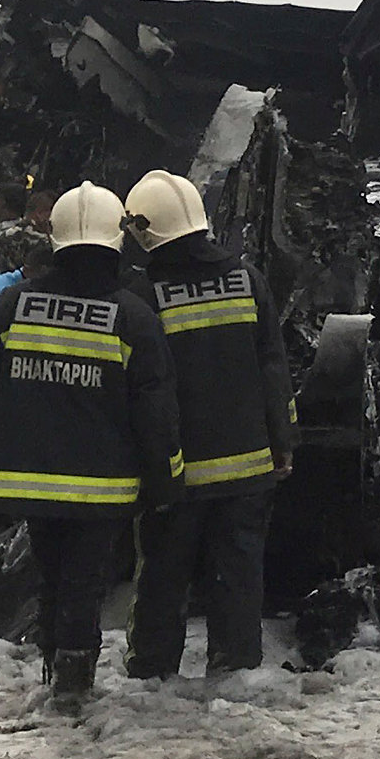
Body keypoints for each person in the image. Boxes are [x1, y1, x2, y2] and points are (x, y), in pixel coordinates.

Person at [0, 183, 179, 707]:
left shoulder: (13, 302)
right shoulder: (132, 316)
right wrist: (164, 482)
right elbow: (155, 412)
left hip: (29, 476)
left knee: (53, 577)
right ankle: (74, 685)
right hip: (102, 487)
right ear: (114, 239)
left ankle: (56, 673)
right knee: (84, 582)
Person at [121, 171, 291, 680]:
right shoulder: (248, 279)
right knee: (239, 575)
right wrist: (283, 441)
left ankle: (151, 673)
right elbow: (274, 368)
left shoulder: (145, 296)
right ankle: (236, 669)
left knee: (163, 575)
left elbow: (144, 393)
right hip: (249, 467)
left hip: (180, 476)